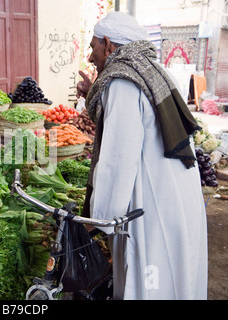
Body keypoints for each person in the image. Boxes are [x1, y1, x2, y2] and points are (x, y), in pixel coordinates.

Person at [76, 11, 207, 300]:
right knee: (175, 277)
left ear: (108, 44)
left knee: (150, 278)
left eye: (93, 47)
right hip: (176, 195)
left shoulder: (122, 82)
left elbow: (117, 159)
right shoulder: (152, 70)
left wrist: (100, 220)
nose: (90, 56)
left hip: (151, 203)